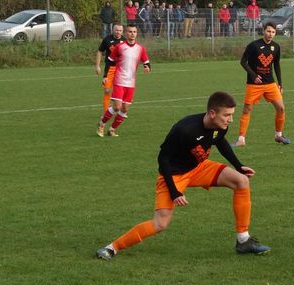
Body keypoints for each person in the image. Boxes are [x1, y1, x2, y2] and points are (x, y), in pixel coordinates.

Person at [95, 91, 270, 260]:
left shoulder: (220, 125)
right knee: (160, 224)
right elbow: (163, 158)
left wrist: (239, 166)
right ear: (212, 113)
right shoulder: (185, 129)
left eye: (231, 114)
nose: (230, 119)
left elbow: (219, 141)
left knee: (241, 181)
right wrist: (174, 191)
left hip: (199, 167)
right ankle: (112, 248)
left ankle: (243, 241)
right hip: (173, 175)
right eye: (227, 115)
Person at [235, 21, 289, 146]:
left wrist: (280, 83)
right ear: (264, 31)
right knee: (247, 109)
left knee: (281, 108)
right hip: (254, 85)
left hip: (270, 83)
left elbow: (276, 65)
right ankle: (241, 139)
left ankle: (278, 135)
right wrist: (253, 75)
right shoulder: (254, 45)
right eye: (268, 31)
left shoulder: (276, 47)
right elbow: (243, 62)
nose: (270, 34)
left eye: (273, 32)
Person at [98, 23, 150, 137]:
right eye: (130, 32)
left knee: (125, 109)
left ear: (137, 33)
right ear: (126, 33)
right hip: (119, 80)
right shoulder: (119, 47)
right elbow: (110, 61)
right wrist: (105, 76)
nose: (132, 34)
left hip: (131, 83)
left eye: (134, 32)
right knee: (117, 107)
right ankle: (101, 124)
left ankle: (111, 129)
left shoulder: (140, 48)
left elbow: (146, 62)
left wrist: (147, 67)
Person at [95, 23, 124, 116]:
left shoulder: (125, 41)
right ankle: (106, 112)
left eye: (120, 30)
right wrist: (97, 66)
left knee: (121, 90)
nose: (118, 32)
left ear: (122, 31)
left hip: (121, 69)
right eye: (116, 30)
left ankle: (120, 110)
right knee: (107, 90)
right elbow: (100, 51)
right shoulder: (107, 39)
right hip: (110, 68)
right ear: (113, 30)